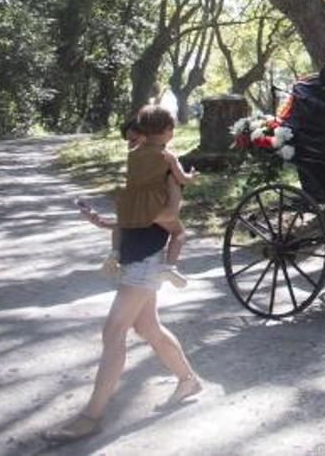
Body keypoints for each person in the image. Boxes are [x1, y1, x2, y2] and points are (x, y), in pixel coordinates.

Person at [42, 219, 202, 442]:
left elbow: (176, 228)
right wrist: (103, 222)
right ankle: (188, 380)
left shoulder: (156, 185)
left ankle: (91, 417)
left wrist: (170, 263)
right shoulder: (138, 186)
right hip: (135, 262)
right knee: (147, 326)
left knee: (113, 331)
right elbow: (135, 218)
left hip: (145, 265)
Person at [110, 106, 197, 288]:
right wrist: (191, 177)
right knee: (179, 232)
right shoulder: (167, 156)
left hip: (132, 203)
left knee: (119, 224)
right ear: (166, 130)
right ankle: (170, 266)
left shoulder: (134, 154)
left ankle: (115, 253)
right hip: (156, 206)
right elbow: (181, 178)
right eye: (172, 129)